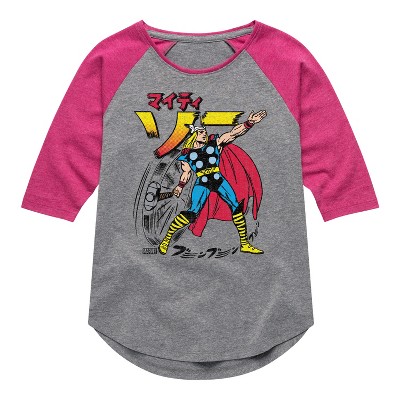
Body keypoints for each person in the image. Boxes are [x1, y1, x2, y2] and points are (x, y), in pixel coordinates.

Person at [159, 110, 267, 255]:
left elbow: (233, 133)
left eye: (204, 131)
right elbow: (186, 173)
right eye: (201, 132)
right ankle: (166, 240)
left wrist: (249, 123)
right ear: (193, 135)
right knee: (192, 213)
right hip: (202, 183)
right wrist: (180, 186)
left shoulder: (215, 143)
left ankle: (245, 244)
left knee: (236, 208)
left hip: (218, 180)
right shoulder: (187, 155)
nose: (204, 134)